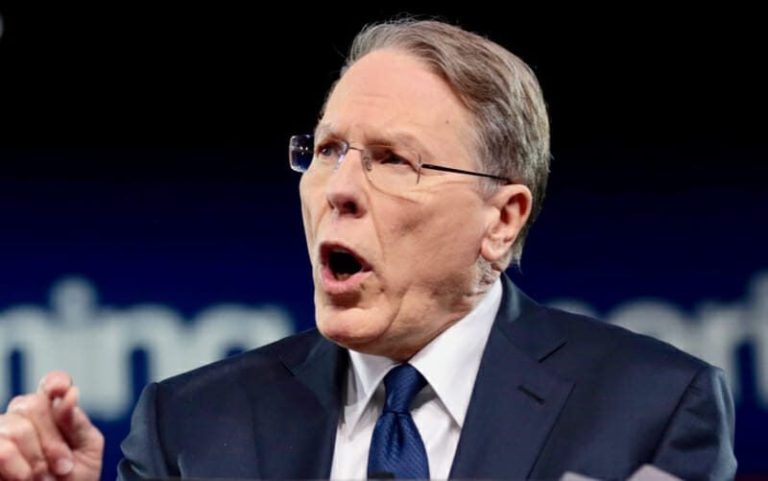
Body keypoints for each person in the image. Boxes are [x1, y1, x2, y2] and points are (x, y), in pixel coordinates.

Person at [0, 18, 736, 481]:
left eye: (392, 160)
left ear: (502, 219)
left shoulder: (653, 408)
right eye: (326, 151)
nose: (339, 189)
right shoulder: (188, 427)